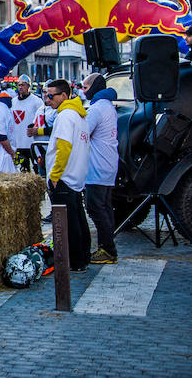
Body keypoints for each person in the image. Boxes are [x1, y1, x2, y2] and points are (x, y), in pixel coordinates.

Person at [44, 79, 91, 272]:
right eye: (46, 95)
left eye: (51, 96)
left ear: (64, 96)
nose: (48, 100)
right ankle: (83, 257)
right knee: (77, 218)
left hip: (64, 178)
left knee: (67, 224)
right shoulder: (79, 116)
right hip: (75, 176)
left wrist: (54, 175)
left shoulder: (65, 116)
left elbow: (64, 147)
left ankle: (75, 261)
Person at [82, 73, 119, 264]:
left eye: (86, 88)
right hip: (108, 164)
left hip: (97, 167)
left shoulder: (96, 109)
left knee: (95, 208)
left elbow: (82, 132)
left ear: (95, 87)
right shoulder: (108, 106)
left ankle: (107, 249)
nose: (83, 91)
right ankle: (107, 247)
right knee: (105, 208)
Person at [11, 75, 43, 173]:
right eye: (19, 85)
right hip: (18, 143)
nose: (21, 87)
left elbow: (41, 119)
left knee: (37, 168)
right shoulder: (13, 102)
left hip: (32, 143)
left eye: (23, 85)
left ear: (28, 86)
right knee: (23, 170)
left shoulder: (37, 102)